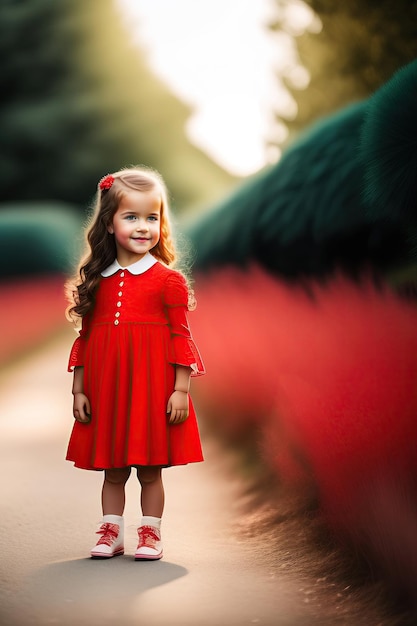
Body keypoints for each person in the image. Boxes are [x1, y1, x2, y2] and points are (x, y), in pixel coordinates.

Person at [65, 166, 205, 561]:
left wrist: (181, 389)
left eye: (152, 217)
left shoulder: (168, 281)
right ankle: (111, 530)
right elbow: (85, 338)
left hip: (151, 386)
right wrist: (79, 388)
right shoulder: (96, 279)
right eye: (131, 217)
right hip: (107, 386)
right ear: (109, 224)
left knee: (149, 468)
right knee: (112, 468)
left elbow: (182, 338)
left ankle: (150, 533)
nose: (144, 226)